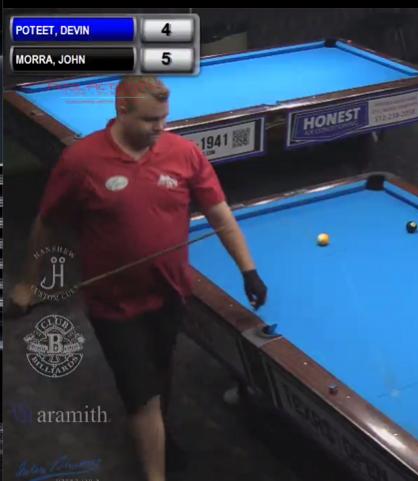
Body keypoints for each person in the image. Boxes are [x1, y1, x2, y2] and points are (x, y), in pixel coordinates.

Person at [10, 75, 268, 481]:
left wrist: (248, 269)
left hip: (169, 294)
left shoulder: (183, 153)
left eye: (164, 117)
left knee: (159, 376)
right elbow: (47, 223)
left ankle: (156, 438)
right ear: (122, 110)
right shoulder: (81, 161)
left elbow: (219, 214)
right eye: (150, 119)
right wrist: (29, 282)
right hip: (113, 304)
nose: (160, 127)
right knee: (141, 395)